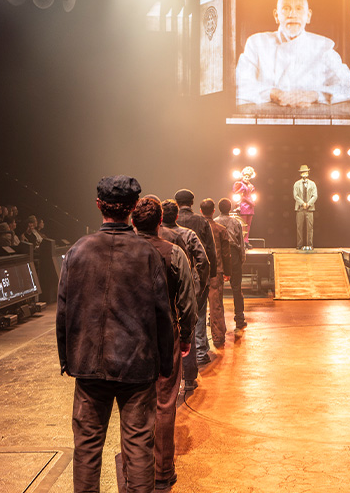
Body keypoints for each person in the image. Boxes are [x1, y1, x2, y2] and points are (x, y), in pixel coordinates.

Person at [56, 175, 174, 493]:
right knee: (139, 447)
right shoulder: (147, 254)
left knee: (87, 448)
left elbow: (63, 310)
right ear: (133, 207)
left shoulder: (78, 250)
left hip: (88, 365)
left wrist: (67, 359)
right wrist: (165, 364)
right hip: (137, 367)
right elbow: (162, 314)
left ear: (99, 205)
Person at [131, 196, 197, 492]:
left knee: (133, 403)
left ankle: (135, 471)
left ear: (133, 221)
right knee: (165, 402)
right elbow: (187, 301)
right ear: (160, 222)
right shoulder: (174, 252)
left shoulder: (121, 251)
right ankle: (162, 471)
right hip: (164, 333)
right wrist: (186, 336)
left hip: (128, 335)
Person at [235, 0, 350, 110]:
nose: (292, 14)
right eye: (286, 8)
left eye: (299, 9)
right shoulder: (256, 43)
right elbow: (239, 83)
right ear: (276, 15)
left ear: (308, 16)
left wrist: (314, 95)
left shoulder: (323, 46)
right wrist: (274, 94)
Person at [158, 198, 209, 394]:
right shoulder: (188, 234)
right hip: (183, 287)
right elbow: (203, 261)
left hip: (161, 291)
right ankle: (188, 378)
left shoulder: (154, 235)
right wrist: (199, 286)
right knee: (187, 328)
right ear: (177, 215)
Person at [175, 189, 218, 365]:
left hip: (175, 273)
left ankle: (180, 354)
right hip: (197, 274)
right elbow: (210, 251)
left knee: (178, 314)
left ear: (177, 203)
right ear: (192, 203)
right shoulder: (201, 221)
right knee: (199, 313)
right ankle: (200, 352)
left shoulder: (172, 221)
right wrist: (210, 275)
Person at [201, 198, 232, 347]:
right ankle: (218, 337)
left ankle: (199, 340)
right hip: (216, 271)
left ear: (201, 211)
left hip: (199, 272)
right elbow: (226, 254)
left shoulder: (196, 229)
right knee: (216, 305)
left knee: (198, 307)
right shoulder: (221, 229)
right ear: (214, 211)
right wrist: (228, 272)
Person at [214, 198, 247, 330]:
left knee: (217, 289)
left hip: (219, 255)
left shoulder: (214, 222)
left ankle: (213, 318)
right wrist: (242, 258)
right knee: (237, 288)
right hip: (233, 255)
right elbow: (241, 243)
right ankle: (239, 318)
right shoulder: (236, 222)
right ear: (230, 208)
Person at [293, 165, 317, 250]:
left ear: (308, 173)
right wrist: (302, 203)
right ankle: (299, 244)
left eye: (306, 172)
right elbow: (295, 195)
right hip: (300, 208)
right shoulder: (297, 184)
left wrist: (308, 203)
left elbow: (315, 195)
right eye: (303, 172)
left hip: (310, 209)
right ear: (300, 174)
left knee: (310, 227)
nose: (304, 173)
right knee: (299, 227)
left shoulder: (312, 184)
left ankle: (310, 244)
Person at [232, 167, 256, 244]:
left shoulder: (250, 185)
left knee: (248, 224)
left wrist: (251, 202)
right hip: (243, 205)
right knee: (243, 224)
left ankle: (246, 240)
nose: (246, 178)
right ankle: (242, 241)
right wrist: (250, 202)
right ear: (242, 176)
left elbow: (251, 195)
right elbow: (240, 196)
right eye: (245, 176)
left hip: (250, 206)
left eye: (248, 177)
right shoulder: (240, 184)